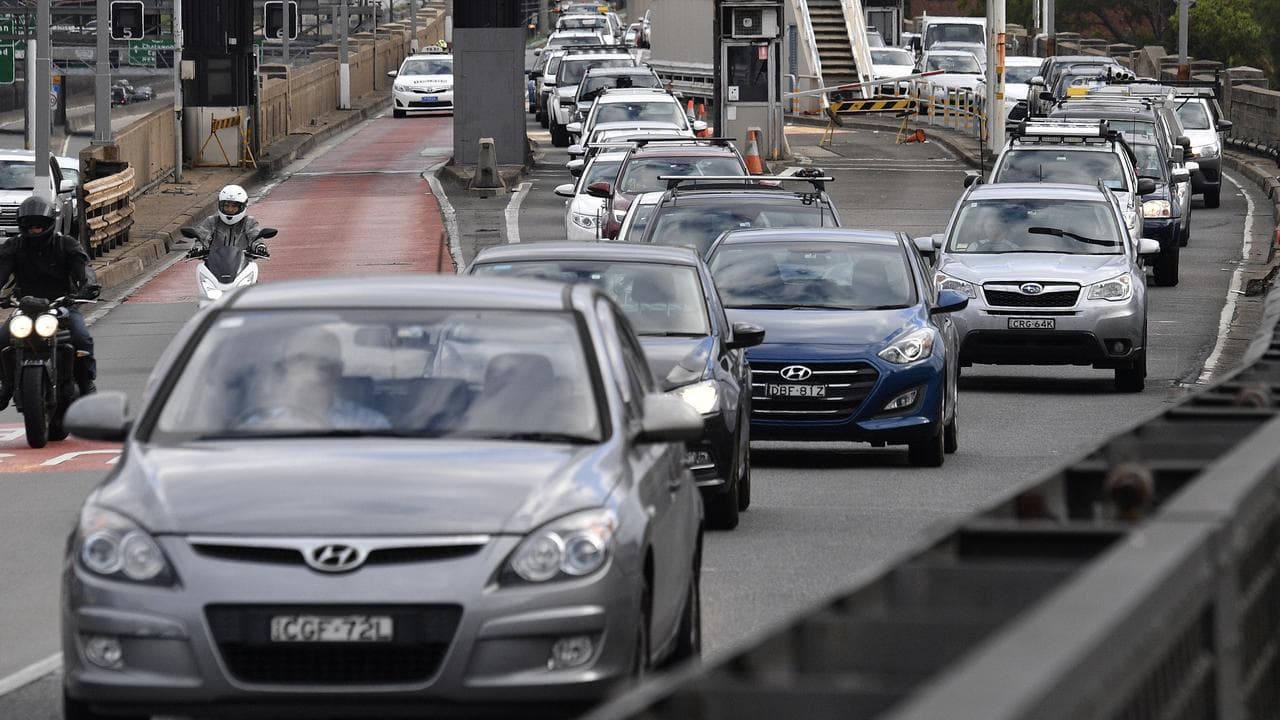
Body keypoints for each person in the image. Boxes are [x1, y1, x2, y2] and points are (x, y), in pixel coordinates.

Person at [0, 196, 100, 408]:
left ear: (49, 224)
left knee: (82, 338)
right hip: (24, 307)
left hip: (61, 304)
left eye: (39, 225)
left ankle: (86, 382)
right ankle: (5, 384)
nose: (35, 230)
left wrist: (88, 287)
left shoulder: (66, 244)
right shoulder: (14, 247)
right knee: (1, 338)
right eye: (30, 225)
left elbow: (84, 269)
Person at [235, 326, 390, 431]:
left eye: (324, 364)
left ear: (338, 371)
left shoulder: (369, 425)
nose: (313, 374)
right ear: (286, 368)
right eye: (302, 361)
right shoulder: (259, 425)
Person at [188, 184, 269, 257]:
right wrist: (198, 247)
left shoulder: (249, 222)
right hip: (214, 265)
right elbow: (202, 237)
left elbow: (255, 236)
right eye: (226, 205)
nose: (230, 209)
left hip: (243, 265)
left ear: (242, 207)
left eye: (234, 206)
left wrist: (259, 246)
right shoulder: (211, 221)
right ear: (220, 205)